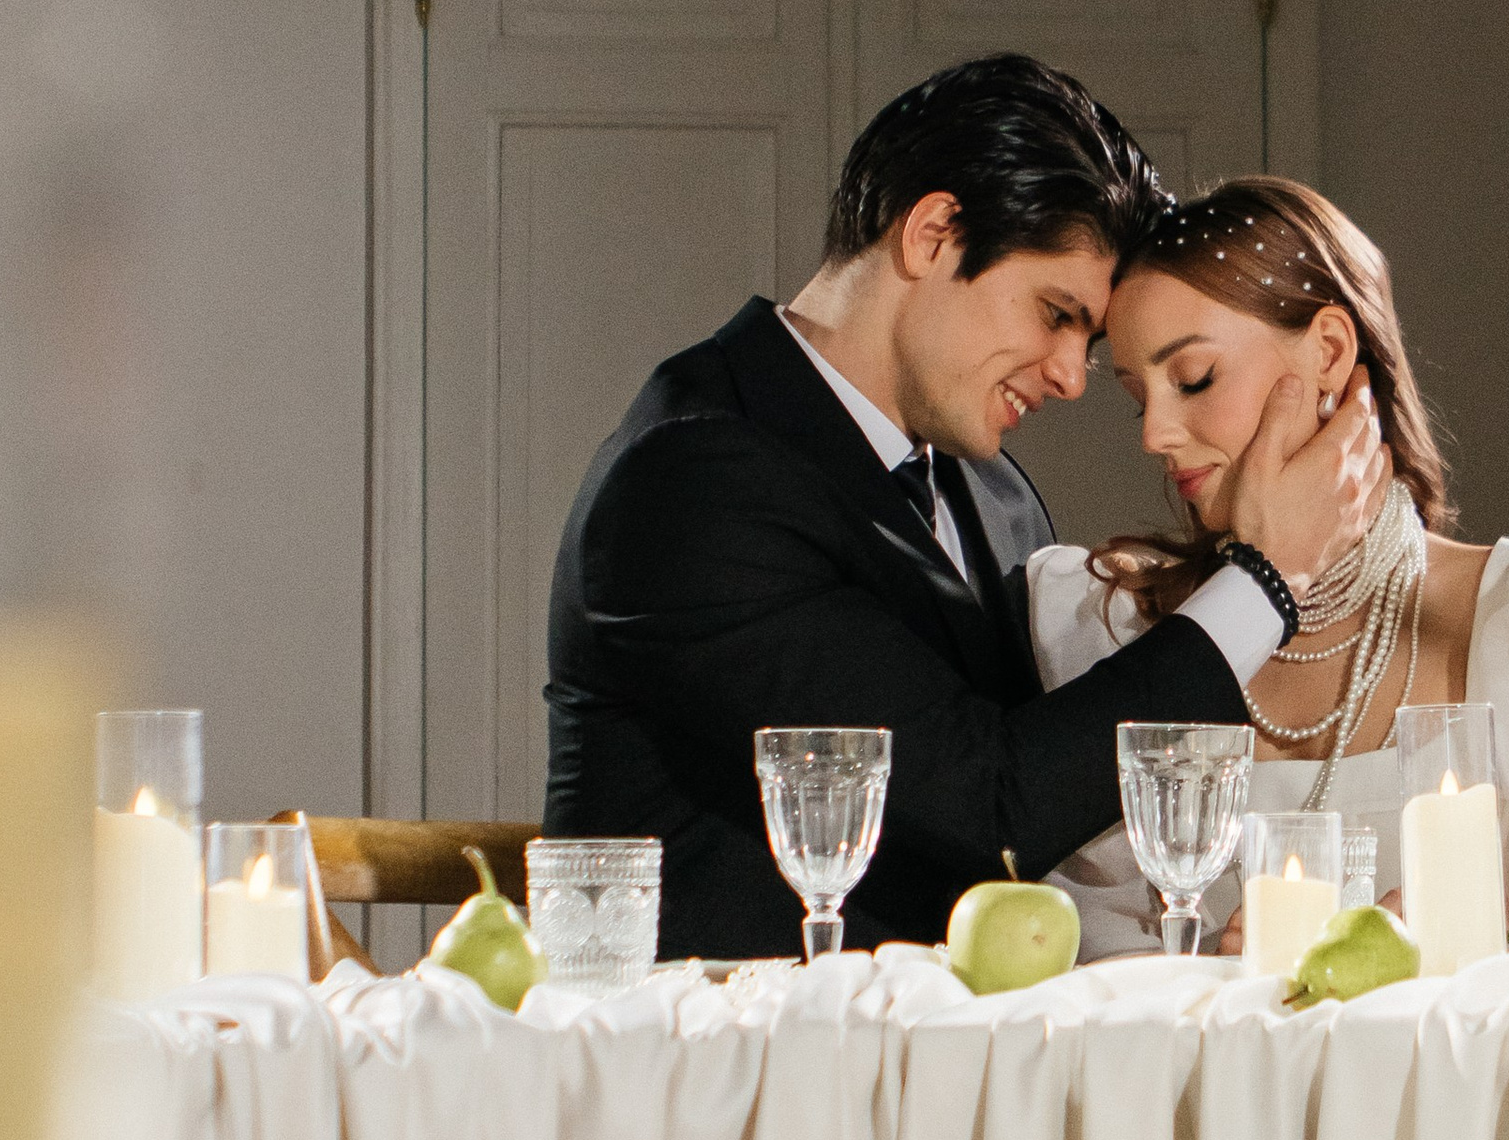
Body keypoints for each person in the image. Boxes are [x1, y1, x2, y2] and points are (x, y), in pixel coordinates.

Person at [543, 59, 1383, 958]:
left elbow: (1055, 802)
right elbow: (993, 805)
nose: (1070, 378)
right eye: (1055, 314)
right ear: (935, 234)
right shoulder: (693, 476)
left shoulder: (998, 495)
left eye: (1087, 342)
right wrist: (1266, 578)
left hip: (952, 1066)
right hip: (731, 1073)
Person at [1028, 176, 1509, 950]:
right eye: (1140, 397)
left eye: (1194, 379)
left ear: (1330, 353)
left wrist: (1451, 942)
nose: (1156, 434)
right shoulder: (1105, 626)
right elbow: (1079, 969)